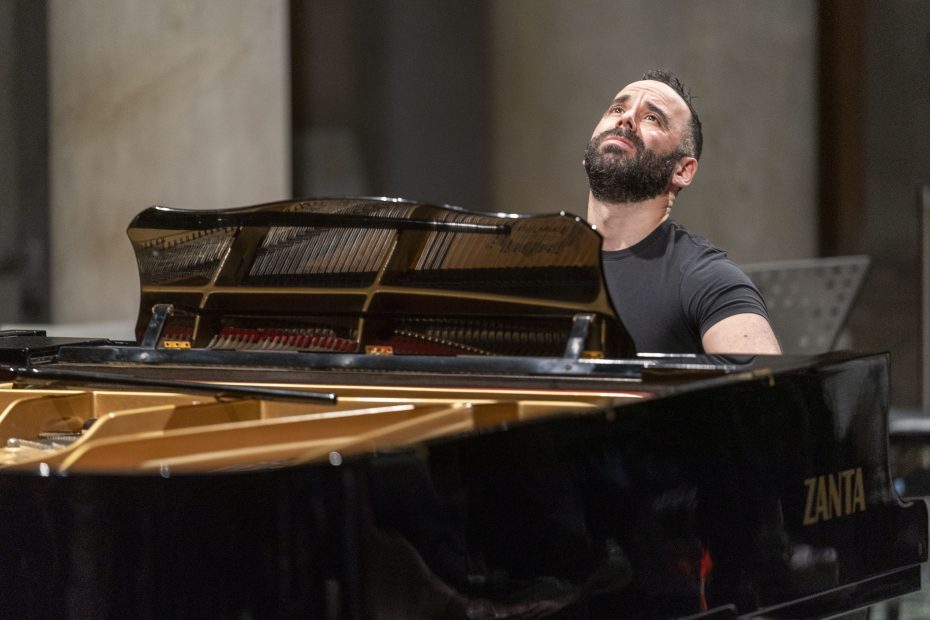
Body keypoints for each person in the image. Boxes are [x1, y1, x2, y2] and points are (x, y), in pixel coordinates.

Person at [583, 69, 781, 355]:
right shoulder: (536, 269)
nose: (625, 118)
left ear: (682, 170)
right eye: (617, 108)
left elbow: (768, 394)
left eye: (652, 118)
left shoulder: (710, 280)